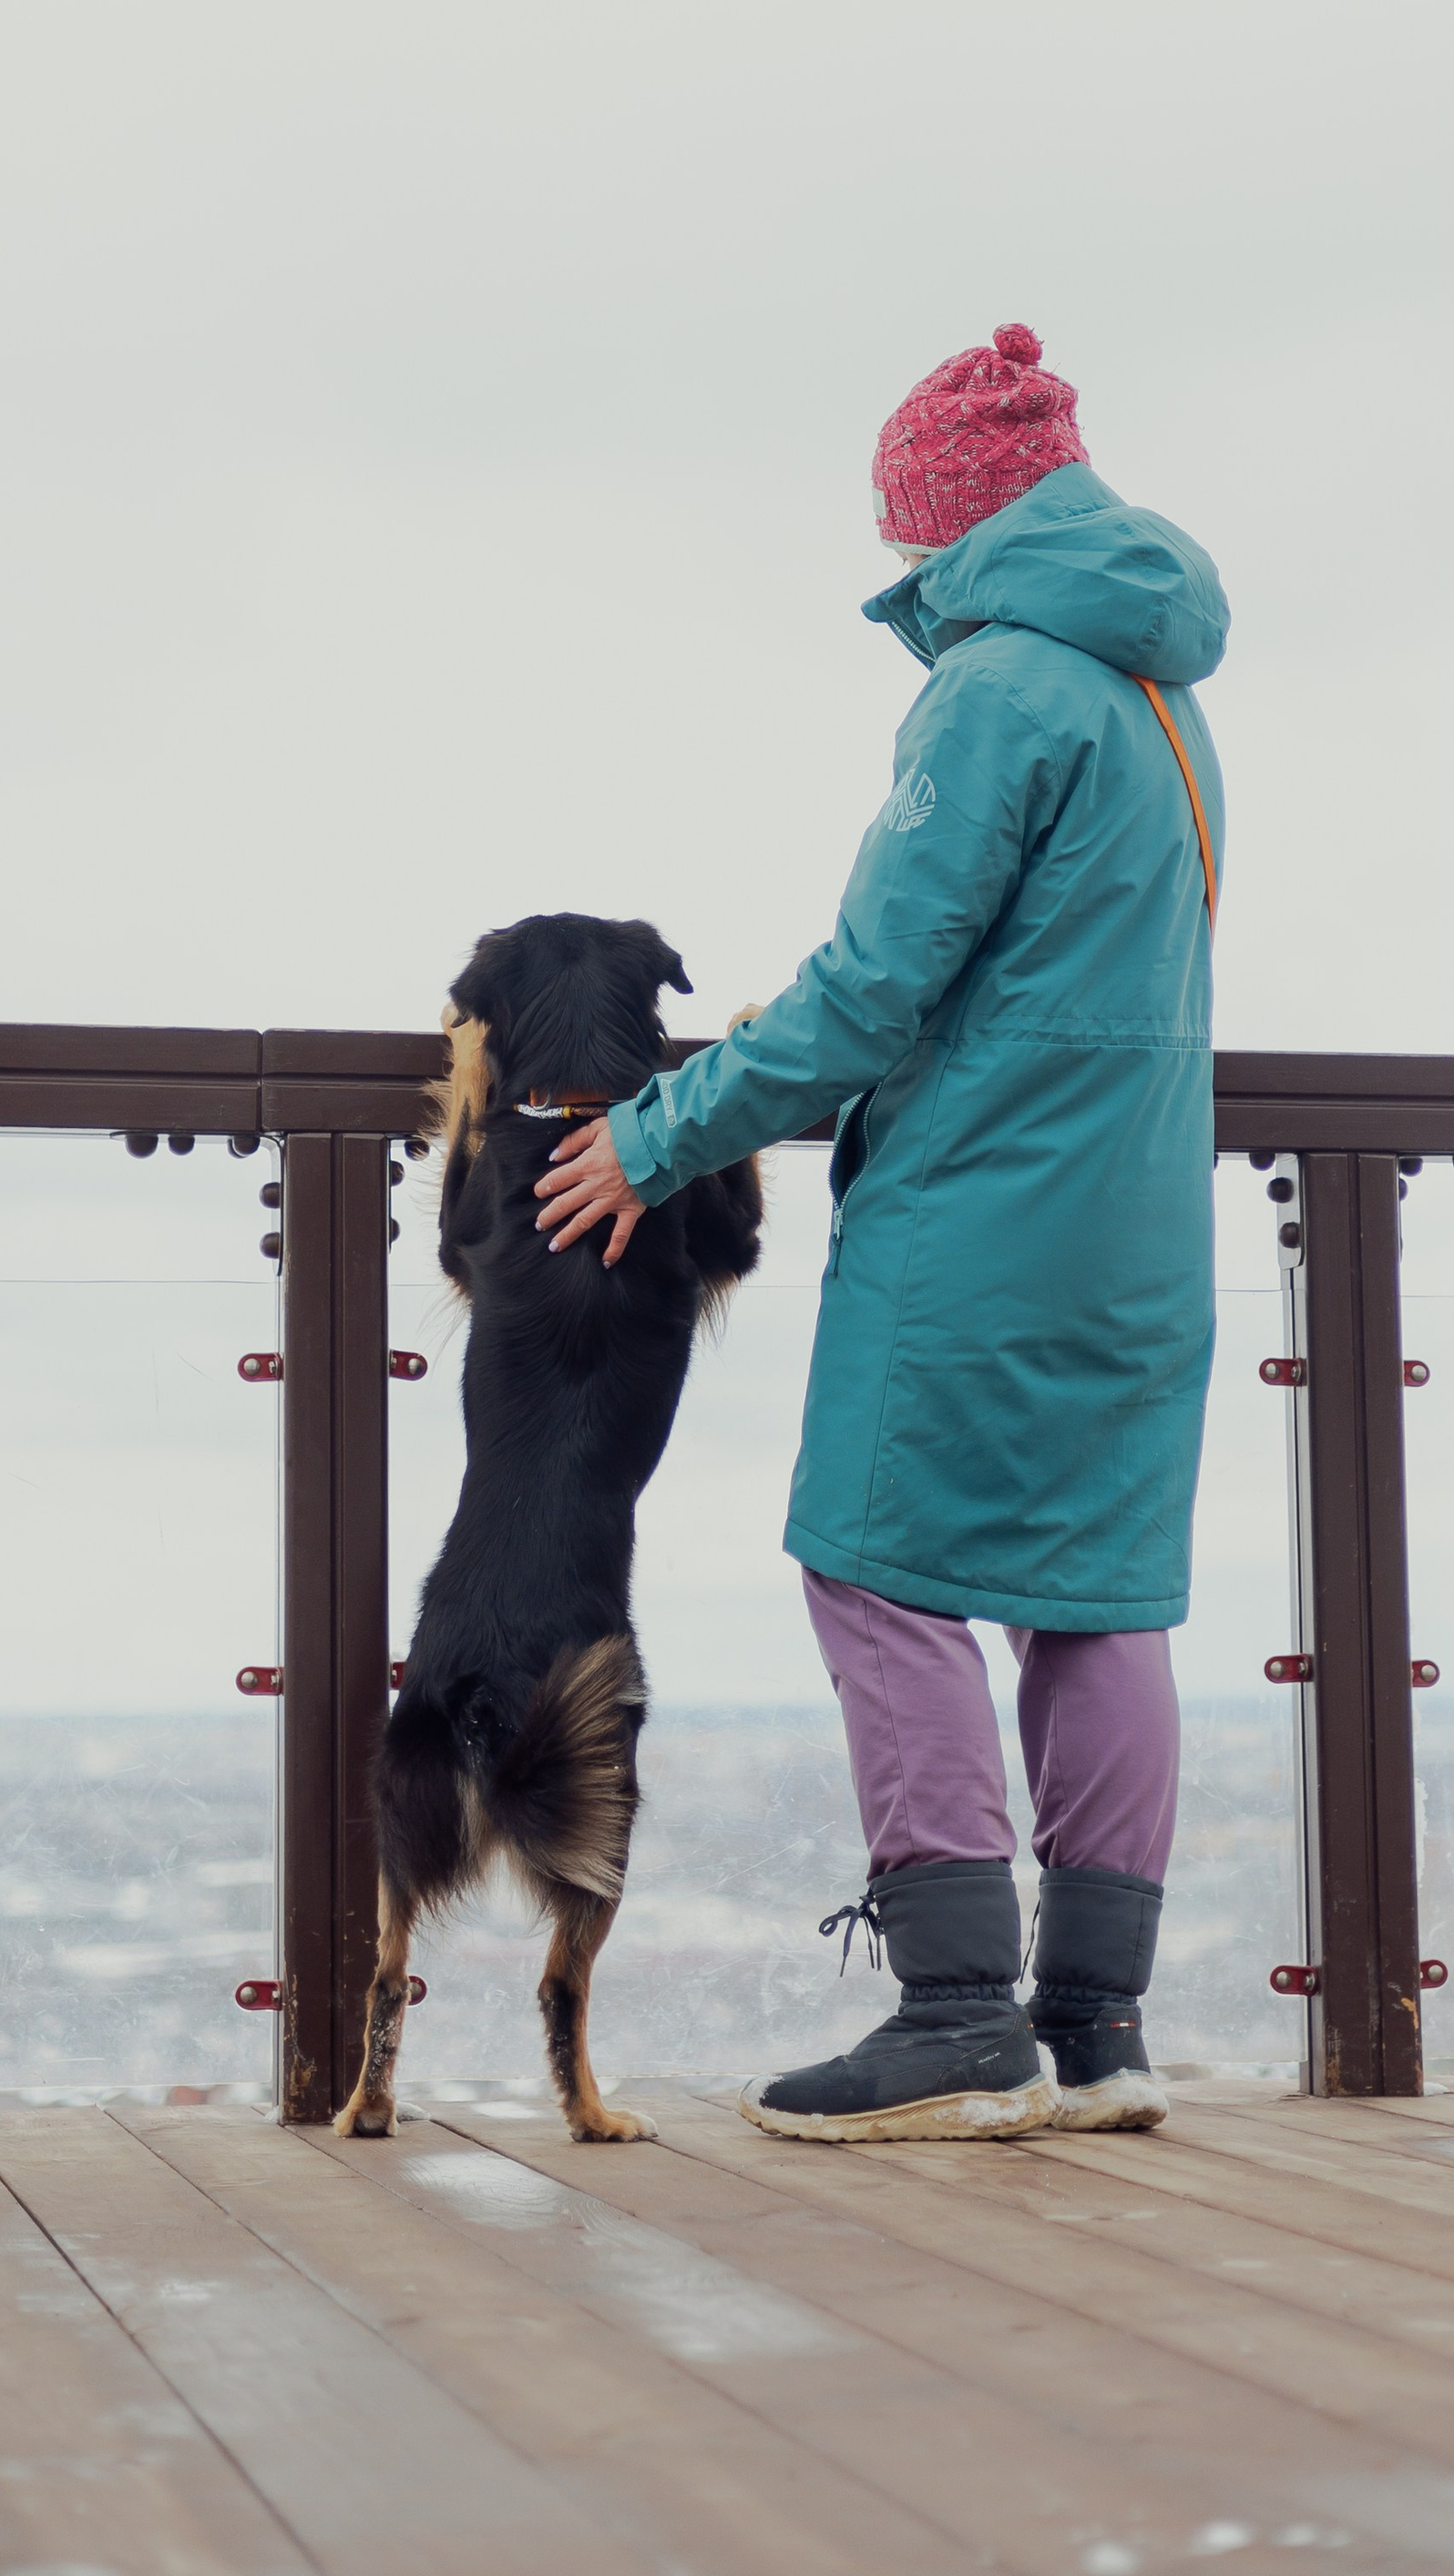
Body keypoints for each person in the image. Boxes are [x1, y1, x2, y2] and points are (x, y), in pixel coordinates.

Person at [534, 323, 1226, 2141]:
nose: (888, 549)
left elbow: (873, 987)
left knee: (877, 1567)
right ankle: (1097, 2033)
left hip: (983, 1212)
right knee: (1094, 1599)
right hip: (1143, 1223)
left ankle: (955, 2016)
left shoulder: (995, 688)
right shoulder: (1162, 703)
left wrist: (657, 1135)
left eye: (897, 516)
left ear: (955, 517)